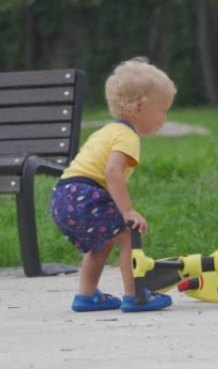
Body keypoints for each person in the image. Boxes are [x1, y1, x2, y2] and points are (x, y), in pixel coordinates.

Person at [50, 57, 176, 312]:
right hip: (84, 193)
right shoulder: (127, 136)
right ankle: (135, 295)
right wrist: (128, 211)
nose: (165, 117)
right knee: (128, 233)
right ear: (140, 108)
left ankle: (87, 295)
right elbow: (113, 172)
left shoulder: (107, 131)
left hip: (64, 195)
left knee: (105, 238)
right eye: (163, 109)